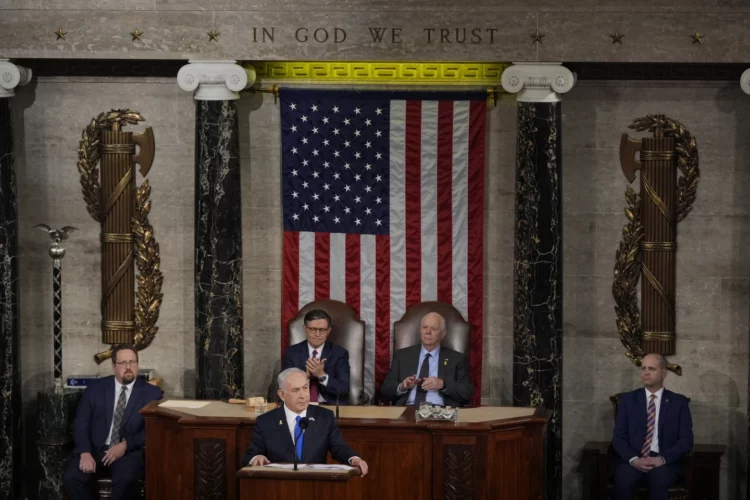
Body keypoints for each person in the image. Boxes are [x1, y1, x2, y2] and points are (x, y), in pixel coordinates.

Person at [63, 344, 163, 500]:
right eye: (123, 363)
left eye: (132, 362)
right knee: (72, 478)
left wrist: (125, 445)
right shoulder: (95, 388)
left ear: (137, 364)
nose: (128, 367)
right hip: (94, 449)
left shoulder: (152, 393)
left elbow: (153, 430)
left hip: (127, 453)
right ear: (114, 366)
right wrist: (85, 452)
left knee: (126, 479)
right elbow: (81, 423)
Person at [243, 367, 368, 476]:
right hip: (279, 487)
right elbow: (251, 454)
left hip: (316, 486)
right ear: (282, 395)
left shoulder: (324, 417)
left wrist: (354, 459)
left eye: (305, 388)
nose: (303, 395)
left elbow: (339, 448)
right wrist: (256, 457)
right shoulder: (266, 422)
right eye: (296, 390)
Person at [612, 353, 694, 500]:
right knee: (623, 478)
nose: (646, 373)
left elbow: (686, 440)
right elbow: (619, 437)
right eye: (643, 368)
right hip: (634, 458)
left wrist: (662, 459)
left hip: (664, 461)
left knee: (659, 479)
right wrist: (633, 459)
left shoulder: (678, 402)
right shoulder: (628, 400)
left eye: (651, 369)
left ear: (664, 373)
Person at [380, 312, 473, 407]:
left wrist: (443, 385)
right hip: (408, 410)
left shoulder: (457, 359)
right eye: (424, 327)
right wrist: (402, 386)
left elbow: (467, 393)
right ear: (420, 330)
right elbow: (385, 390)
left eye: (434, 328)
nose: (428, 332)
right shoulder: (402, 356)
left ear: (443, 334)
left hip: (441, 412)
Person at [282, 309, 351, 404]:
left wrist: (321, 375)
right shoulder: (292, 352)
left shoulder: (339, 353)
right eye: (313, 329)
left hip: (329, 407)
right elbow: (284, 387)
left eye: (322, 330)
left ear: (328, 331)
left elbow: (344, 390)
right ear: (305, 329)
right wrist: (305, 377)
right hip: (299, 405)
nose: (317, 334)